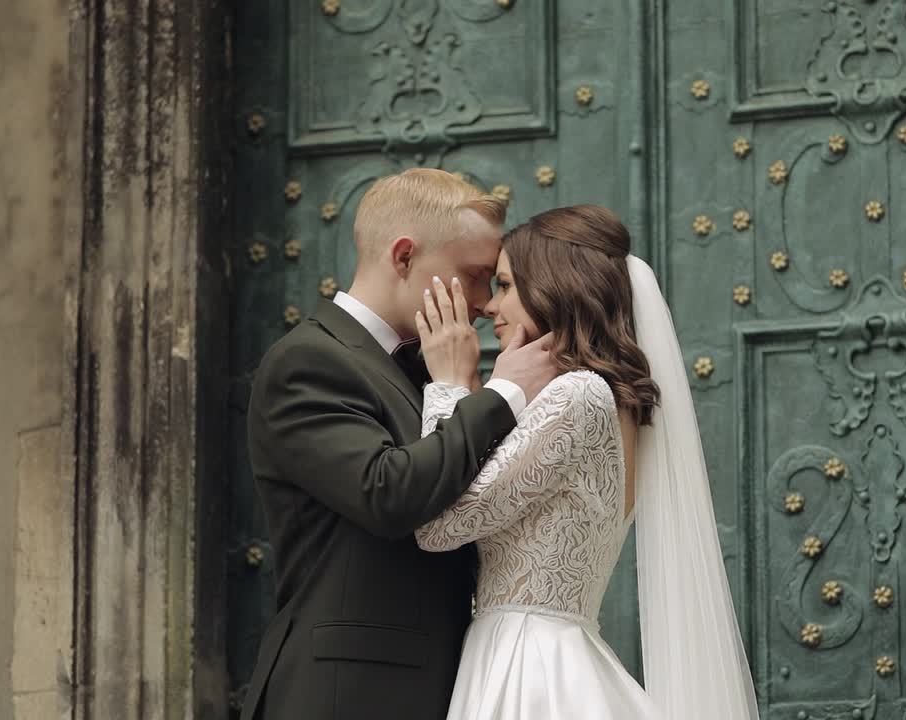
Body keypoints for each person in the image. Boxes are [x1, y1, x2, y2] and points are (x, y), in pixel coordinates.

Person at [413, 204, 760, 719]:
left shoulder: (577, 397)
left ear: (554, 287)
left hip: (527, 668)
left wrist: (445, 387)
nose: (490, 306)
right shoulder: (606, 401)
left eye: (506, 285)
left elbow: (437, 527)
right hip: (547, 649)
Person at [239, 168, 559, 720]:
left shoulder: (430, 367)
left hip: (445, 683)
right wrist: (502, 394)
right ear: (405, 256)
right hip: (348, 692)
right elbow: (386, 493)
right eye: (475, 275)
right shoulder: (309, 360)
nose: (485, 303)